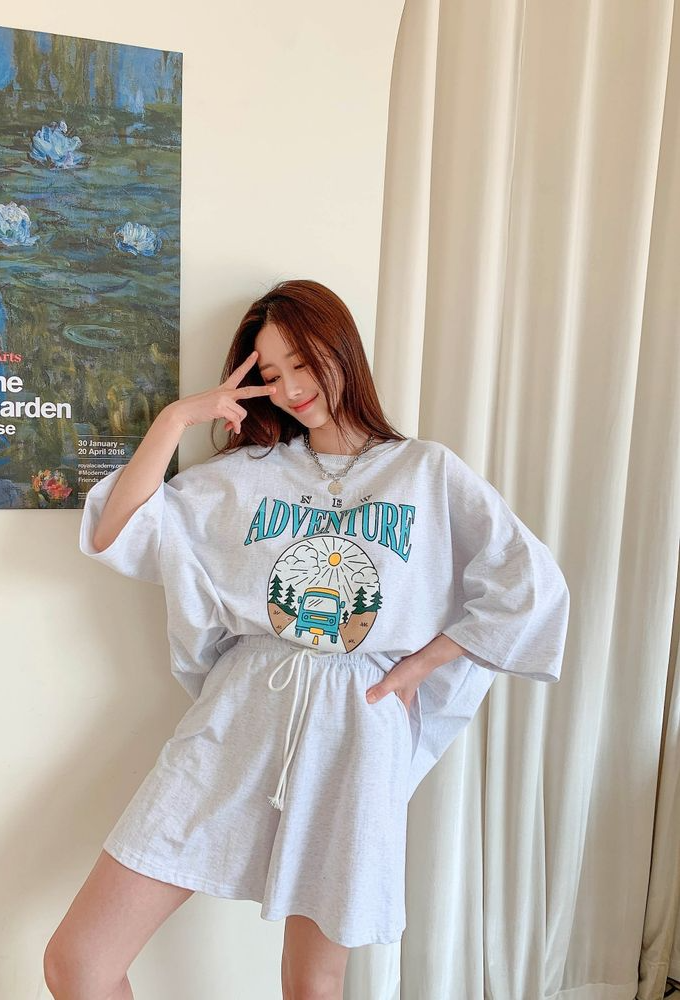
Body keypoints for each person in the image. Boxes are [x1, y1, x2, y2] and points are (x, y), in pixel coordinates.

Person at [43, 278, 570, 1000]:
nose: (290, 388)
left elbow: (530, 585)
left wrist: (424, 663)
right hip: (240, 715)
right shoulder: (246, 476)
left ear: (341, 349)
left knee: (314, 985)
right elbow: (118, 531)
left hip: (360, 726)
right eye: (269, 373)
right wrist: (177, 418)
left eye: (302, 362)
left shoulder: (426, 471)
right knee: (79, 961)